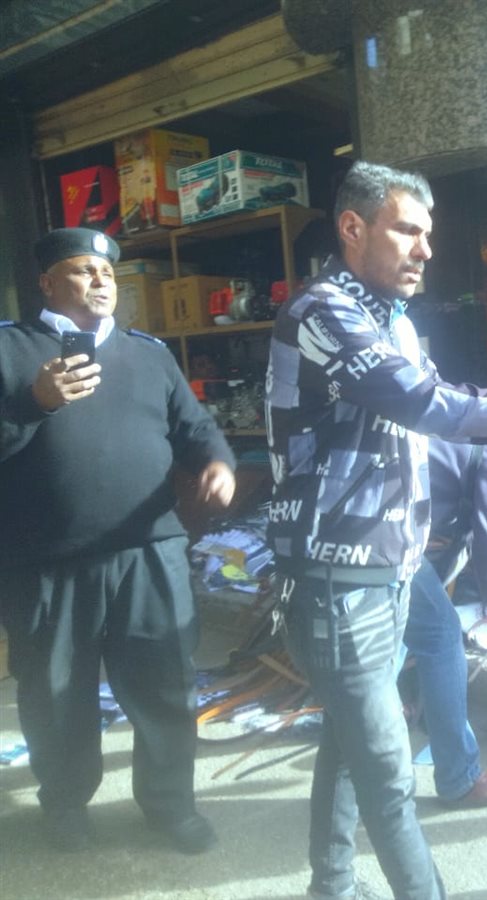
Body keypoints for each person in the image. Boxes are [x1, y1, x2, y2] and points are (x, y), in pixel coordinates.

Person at [265, 161, 487, 900]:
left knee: (350, 743)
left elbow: (445, 397)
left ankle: (331, 888)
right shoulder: (321, 312)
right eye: (407, 231)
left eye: (427, 234)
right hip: (338, 578)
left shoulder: (395, 322)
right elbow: (422, 403)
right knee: (386, 772)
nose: (426, 250)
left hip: (393, 569)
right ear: (353, 228)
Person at [0, 227, 236, 854]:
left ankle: (170, 805)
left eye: (107, 272)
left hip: (149, 551)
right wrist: (32, 403)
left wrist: (217, 462)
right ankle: (65, 804)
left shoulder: (149, 354)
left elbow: (195, 427)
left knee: (165, 684)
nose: (101, 281)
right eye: (84, 270)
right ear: (47, 282)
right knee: (56, 693)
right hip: (46, 561)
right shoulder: (9, 350)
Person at [402, 438, 487, 808]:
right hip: (385, 538)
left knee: (396, 638)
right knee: (441, 634)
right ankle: (460, 778)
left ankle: (366, 758)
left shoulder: (474, 428)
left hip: (353, 532)